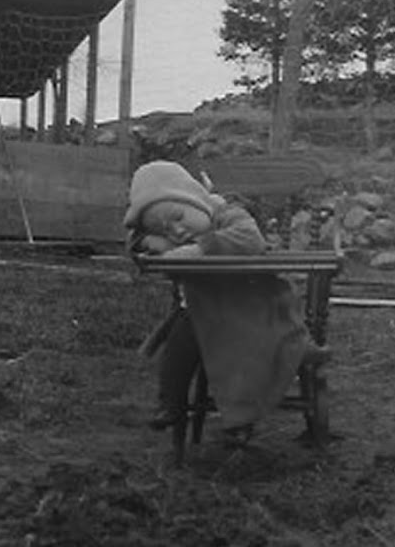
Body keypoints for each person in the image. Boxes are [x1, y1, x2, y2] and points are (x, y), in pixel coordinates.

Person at [123, 160, 330, 435]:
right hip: (203, 313)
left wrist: (200, 250)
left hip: (255, 309)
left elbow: (250, 239)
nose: (177, 231)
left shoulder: (228, 215)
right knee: (178, 347)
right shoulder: (177, 235)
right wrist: (153, 243)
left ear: (197, 200)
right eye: (165, 230)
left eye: (177, 218)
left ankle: (241, 420)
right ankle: (170, 403)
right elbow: (135, 242)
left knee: (244, 353)